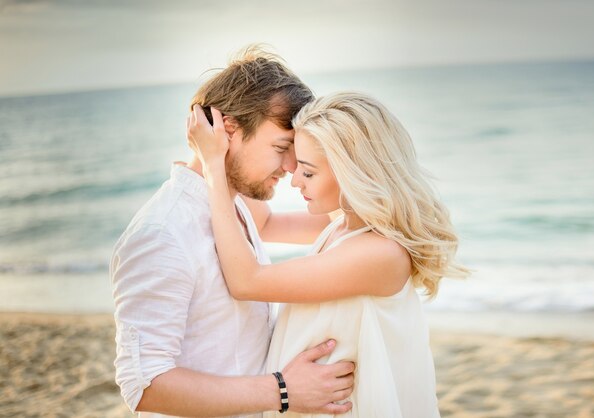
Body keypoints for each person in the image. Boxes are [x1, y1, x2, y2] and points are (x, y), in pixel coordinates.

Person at [187, 91, 470, 417]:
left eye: (307, 172)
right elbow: (262, 223)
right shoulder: (343, 223)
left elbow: (247, 281)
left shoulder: (380, 254)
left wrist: (212, 167)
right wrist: (240, 147)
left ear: (353, 174)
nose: (294, 180)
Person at [111, 47, 355, 418]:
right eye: (280, 148)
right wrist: (282, 391)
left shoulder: (235, 204)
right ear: (227, 130)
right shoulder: (163, 233)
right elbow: (145, 384)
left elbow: (331, 222)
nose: (291, 168)